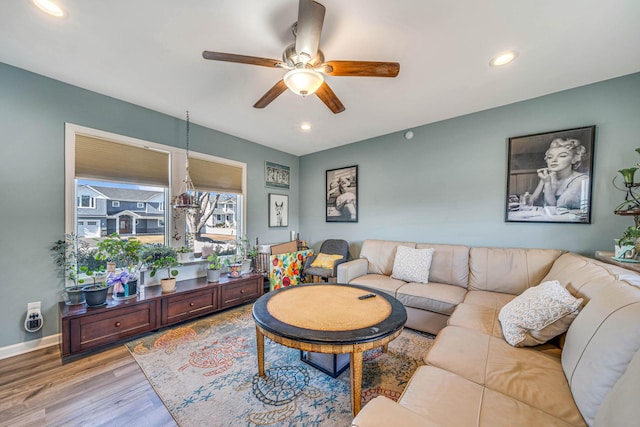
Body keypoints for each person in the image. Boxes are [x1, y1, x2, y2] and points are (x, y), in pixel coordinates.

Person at [531, 138, 588, 209]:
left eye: (562, 156)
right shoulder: (547, 176)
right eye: (550, 157)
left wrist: (547, 183)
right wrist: (543, 181)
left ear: (574, 159)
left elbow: (556, 210)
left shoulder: (581, 180)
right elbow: (531, 204)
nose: (554, 160)